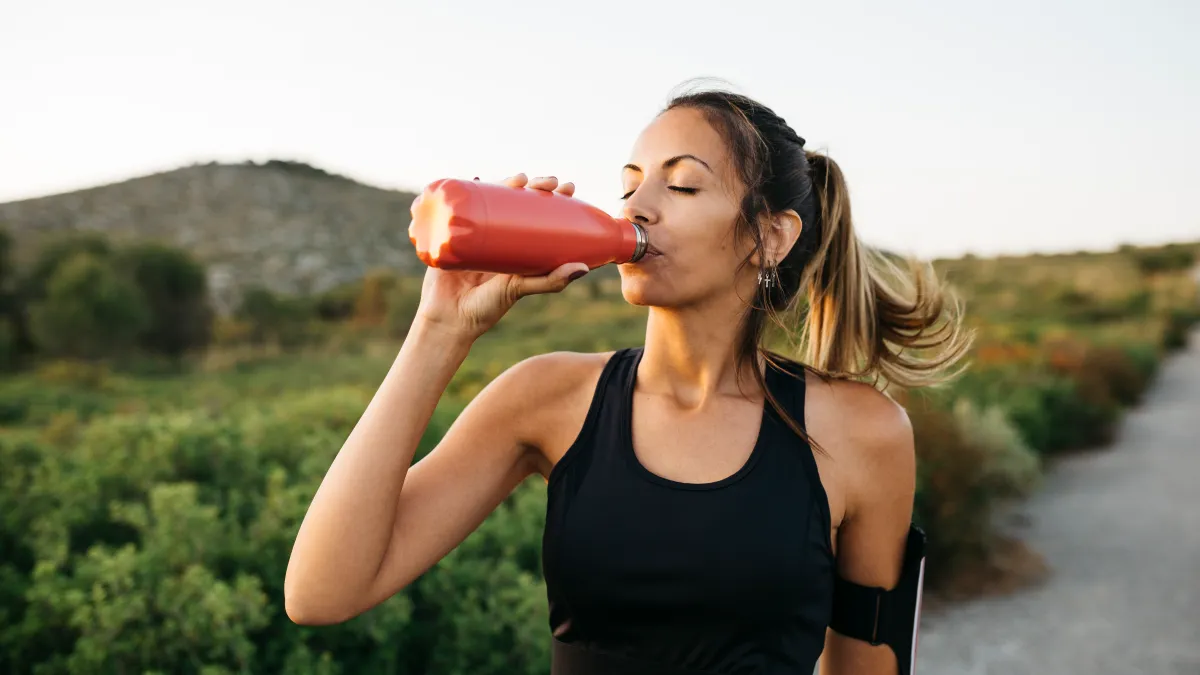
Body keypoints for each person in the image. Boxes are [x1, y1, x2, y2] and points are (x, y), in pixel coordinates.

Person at [284, 86, 972, 674]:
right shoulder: (547, 399)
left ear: (771, 236)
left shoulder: (860, 431)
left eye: (680, 184)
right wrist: (440, 328)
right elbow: (321, 593)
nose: (636, 207)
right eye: (630, 182)